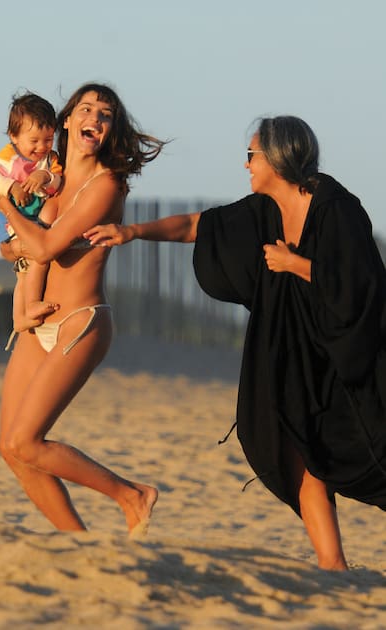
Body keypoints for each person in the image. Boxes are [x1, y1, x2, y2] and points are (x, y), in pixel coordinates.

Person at [83, 115, 386, 570]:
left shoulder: (337, 207)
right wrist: (131, 233)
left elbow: (363, 287)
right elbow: (196, 226)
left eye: (251, 155)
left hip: (352, 360)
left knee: (375, 450)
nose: (245, 164)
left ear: (279, 157)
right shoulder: (262, 211)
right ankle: (333, 567)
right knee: (296, 446)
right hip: (298, 357)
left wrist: (296, 264)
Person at [0, 82, 164, 534]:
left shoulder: (106, 184)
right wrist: (14, 241)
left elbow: (44, 245)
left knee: (28, 441)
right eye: (86, 109)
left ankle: (132, 495)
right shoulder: (46, 175)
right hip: (37, 324)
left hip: (79, 322)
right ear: (67, 120)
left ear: (110, 130)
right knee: (11, 448)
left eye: (105, 114)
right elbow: (18, 250)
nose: (95, 117)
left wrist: (2, 204)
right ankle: (78, 542)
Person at [0, 92, 63, 336]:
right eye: (34, 140)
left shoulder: (50, 159)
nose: (42, 147)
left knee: (24, 271)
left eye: (48, 139)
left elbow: (57, 182)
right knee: (35, 259)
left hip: (32, 219)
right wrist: (11, 187)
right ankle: (28, 307)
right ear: (14, 136)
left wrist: (45, 176)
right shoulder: (8, 157)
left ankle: (20, 317)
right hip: (11, 220)